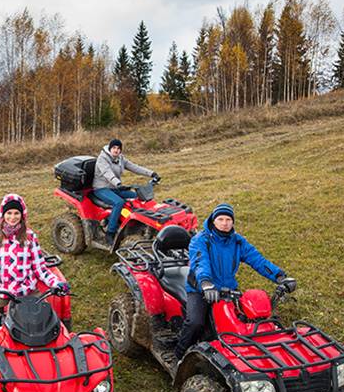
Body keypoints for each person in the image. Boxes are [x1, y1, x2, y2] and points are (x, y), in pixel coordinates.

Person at [175, 204, 288, 359]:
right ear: (213, 221)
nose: (225, 223)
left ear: (233, 222)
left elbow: (257, 260)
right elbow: (201, 263)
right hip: (200, 288)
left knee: (247, 322)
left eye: (228, 219)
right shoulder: (200, 240)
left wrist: (280, 276)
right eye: (220, 219)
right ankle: (179, 356)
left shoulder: (238, 242)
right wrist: (206, 283)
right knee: (195, 322)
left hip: (228, 290)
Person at [0, 193, 69, 340]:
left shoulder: (30, 236)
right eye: (9, 213)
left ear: (22, 215)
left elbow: (40, 268)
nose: (13, 217)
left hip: (27, 291)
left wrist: (57, 283)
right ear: (3, 214)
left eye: (17, 213)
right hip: (1, 291)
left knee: (50, 324)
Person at [92, 138, 159, 245]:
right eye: (114, 148)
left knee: (138, 197)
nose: (116, 150)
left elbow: (134, 167)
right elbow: (107, 173)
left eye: (118, 148)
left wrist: (151, 173)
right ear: (110, 148)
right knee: (118, 202)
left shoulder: (120, 158)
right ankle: (110, 232)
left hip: (114, 188)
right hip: (101, 188)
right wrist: (118, 184)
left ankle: (141, 224)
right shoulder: (102, 159)